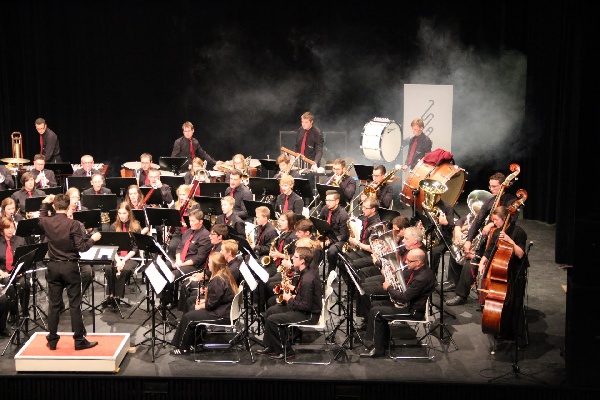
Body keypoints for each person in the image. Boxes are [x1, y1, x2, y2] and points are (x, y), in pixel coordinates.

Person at [38, 193, 101, 350]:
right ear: (68, 208)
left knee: (54, 305)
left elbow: (41, 216)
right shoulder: (73, 224)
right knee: (74, 304)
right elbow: (82, 248)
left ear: (54, 207)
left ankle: (52, 340)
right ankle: (79, 340)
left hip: (53, 266)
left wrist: (45, 202)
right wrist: (93, 239)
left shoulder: (47, 222)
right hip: (70, 267)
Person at [360, 247, 436, 358]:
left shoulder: (422, 278)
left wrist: (389, 287)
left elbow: (404, 298)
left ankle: (376, 348)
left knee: (377, 312)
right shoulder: (418, 270)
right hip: (410, 305)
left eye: (409, 261)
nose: (406, 262)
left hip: (413, 311)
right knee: (376, 304)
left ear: (418, 262)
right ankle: (383, 342)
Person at [256, 246, 323, 360]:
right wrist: (293, 292)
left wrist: (289, 299)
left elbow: (306, 306)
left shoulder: (307, 279)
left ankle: (286, 351)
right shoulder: (305, 273)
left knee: (273, 320)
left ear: (302, 261)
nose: (292, 259)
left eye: (295, 257)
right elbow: (304, 295)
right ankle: (270, 346)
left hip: (309, 315)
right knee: (271, 311)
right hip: (302, 308)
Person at [170, 252, 238, 355]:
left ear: (215, 265)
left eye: (210, 263)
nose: (208, 265)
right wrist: (204, 298)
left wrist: (200, 306)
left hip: (222, 315)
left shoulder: (218, 280)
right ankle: (195, 341)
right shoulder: (224, 274)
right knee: (192, 305)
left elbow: (211, 305)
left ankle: (184, 348)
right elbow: (219, 298)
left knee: (189, 316)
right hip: (224, 309)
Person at [462, 172, 518, 258]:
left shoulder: (512, 201)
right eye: (490, 186)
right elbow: (478, 220)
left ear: (503, 185)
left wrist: (492, 224)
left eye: (494, 186)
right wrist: (469, 240)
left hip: (505, 237)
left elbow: (511, 220)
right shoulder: (490, 201)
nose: (491, 189)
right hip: (488, 239)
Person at [177, 223, 229, 312]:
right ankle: (186, 312)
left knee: (187, 285)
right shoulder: (215, 246)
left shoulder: (220, 250)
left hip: (213, 280)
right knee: (187, 283)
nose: (209, 236)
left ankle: (187, 313)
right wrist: (201, 274)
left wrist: (202, 276)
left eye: (212, 234)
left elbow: (215, 270)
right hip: (208, 274)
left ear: (220, 237)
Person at [104, 202, 145, 303]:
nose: (121, 216)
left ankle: (116, 296)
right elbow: (112, 246)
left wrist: (123, 261)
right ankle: (111, 295)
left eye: (124, 213)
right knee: (108, 268)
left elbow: (135, 248)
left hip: (131, 257)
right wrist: (118, 261)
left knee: (125, 270)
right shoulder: (114, 226)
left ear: (129, 213)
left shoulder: (136, 227)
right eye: (119, 213)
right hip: (117, 256)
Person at [0, 217, 29, 322]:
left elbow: (26, 258)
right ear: (2, 229)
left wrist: (21, 270)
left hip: (18, 273)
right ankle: (13, 314)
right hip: (5, 274)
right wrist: (1, 272)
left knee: (25, 284)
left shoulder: (20, 240)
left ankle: (25, 312)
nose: (10, 230)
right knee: (10, 287)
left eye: (12, 227)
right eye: (7, 228)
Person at [318, 190, 350, 273]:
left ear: (337, 201)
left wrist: (329, 241)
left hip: (339, 239)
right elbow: (319, 221)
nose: (327, 203)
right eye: (326, 200)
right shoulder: (325, 209)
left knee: (332, 252)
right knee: (313, 246)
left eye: (330, 200)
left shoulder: (343, 215)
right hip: (327, 235)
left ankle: (331, 273)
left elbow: (344, 235)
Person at [168, 184, 200, 259]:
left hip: (191, 233)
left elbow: (197, 221)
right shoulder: (175, 206)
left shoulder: (195, 206)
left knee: (189, 247)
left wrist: (186, 224)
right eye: (180, 195)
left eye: (184, 194)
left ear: (189, 194)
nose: (181, 197)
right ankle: (172, 262)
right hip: (178, 234)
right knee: (172, 246)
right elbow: (170, 220)